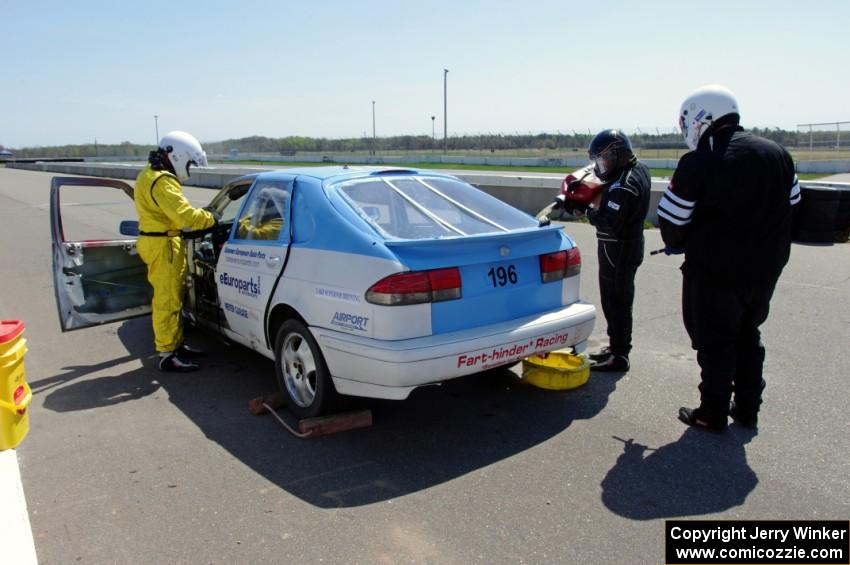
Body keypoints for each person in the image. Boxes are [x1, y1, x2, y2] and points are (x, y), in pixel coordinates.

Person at [658, 84, 800, 431]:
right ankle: (748, 409)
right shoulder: (777, 152)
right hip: (766, 266)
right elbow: (794, 203)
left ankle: (712, 412)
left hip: (715, 268)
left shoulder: (700, 160)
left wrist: (678, 243)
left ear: (700, 119)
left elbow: (671, 219)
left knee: (715, 340)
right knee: (748, 333)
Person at [135, 131, 218, 372]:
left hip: (161, 241)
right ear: (178, 156)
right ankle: (167, 353)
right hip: (164, 246)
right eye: (190, 162)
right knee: (167, 300)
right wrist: (211, 218)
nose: (190, 168)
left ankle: (176, 344)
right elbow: (184, 215)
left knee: (172, 297)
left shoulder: (147, 174)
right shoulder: (162, 180)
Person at [568, 130, 651, 372]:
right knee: (618, 300)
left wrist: (584, 209)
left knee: (616, 302)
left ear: (618, 154)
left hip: (618, 248)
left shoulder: (624, 185)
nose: (601, 166)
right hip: (628, 244)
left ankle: (619, 354)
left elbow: (609, 221)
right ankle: (617, 347)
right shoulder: (639, 169)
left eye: (604, 159)